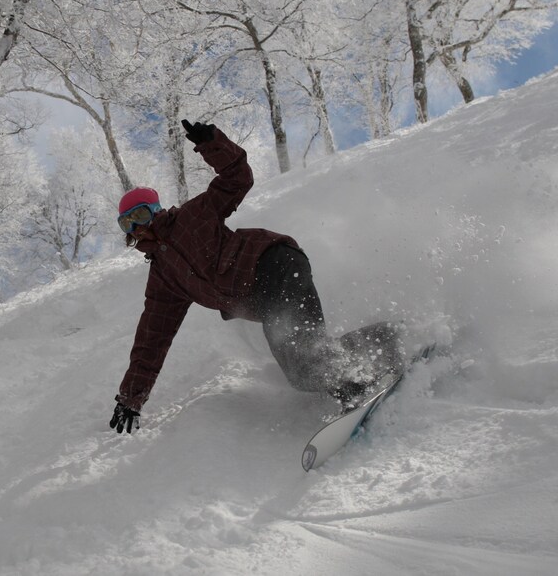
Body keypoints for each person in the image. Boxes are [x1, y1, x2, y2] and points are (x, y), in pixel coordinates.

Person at [109, 120, 403, 434]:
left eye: (140, 214)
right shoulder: (163, 281)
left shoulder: (193, 215)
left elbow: (237, 178)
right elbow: (151, 340)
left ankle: (355, 388)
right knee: (302, 368)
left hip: (274, 266)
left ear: (154, 209)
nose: (137, 227)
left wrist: (212, 144)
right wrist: (131, 398)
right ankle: (386, 338)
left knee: (303, 357)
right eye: (127, 223)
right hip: (264, 301)